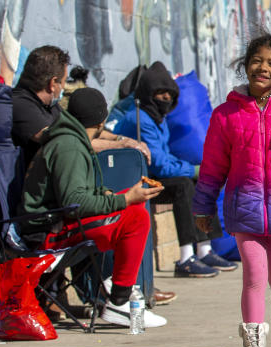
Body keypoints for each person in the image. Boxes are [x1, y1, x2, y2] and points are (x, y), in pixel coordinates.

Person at [192, 33, 271, 347]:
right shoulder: (225, 115)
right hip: (244, 209)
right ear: (245, 66)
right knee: (254, 276)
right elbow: (212, 166)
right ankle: (253, 345)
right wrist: (203, 206)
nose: (263, 68)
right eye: (257, 61)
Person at [18, 87, 166, 327]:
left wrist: (110, 195)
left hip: (59, 223)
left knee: (132, 206)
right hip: (48, 233)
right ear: (101, 120)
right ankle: (119, 300)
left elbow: (81, 196)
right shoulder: (69, 147)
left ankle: (118, 288)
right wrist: (125, 199)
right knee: (136, 216)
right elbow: (75, 203)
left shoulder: (71, 140)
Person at [112, 61, 233, 278]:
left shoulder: (158, 118)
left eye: (169, 94)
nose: (166, 99)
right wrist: (192, 170)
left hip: (152, 175)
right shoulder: (141, 118)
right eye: (160, 93)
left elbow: (164, 156)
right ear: (149, 94)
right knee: (183, 185)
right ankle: (186, 257)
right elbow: (160, 164)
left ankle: (204, 249)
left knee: (201, 184)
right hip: (135, 180)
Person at [11, 46, 151, 168]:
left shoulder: (49, 105)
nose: (64, 87)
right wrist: (120, 146)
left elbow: (82, 130)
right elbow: (68, 142)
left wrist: (121, 139)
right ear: (53, 83)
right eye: (64, 81)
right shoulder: (21, 104)